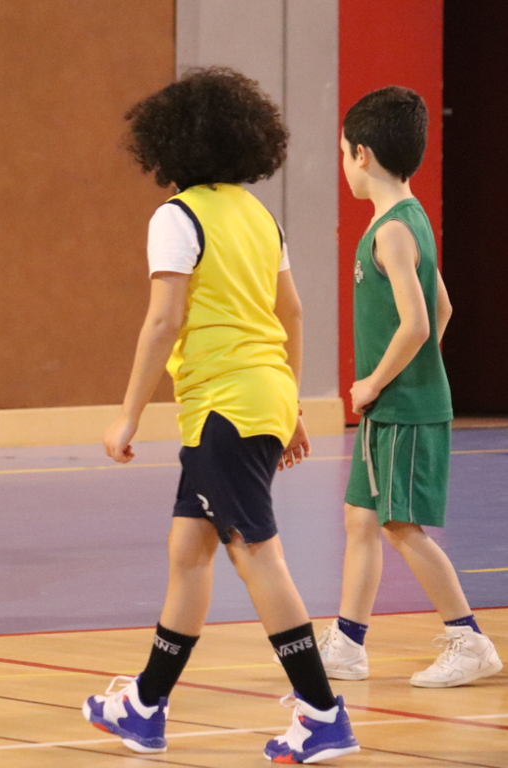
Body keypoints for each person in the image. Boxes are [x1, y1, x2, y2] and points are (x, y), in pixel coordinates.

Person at [82, 67, 359, 763]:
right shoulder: (260, 216)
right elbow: (292, 314)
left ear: (169, 143)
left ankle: (323, 713)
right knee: (189, 552)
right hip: (260, 396)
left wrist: (127, 415)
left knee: (255, 552)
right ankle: (145, 705)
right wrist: (290, 404)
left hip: (225, 407)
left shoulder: (177, 217)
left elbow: (163, 321)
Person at [317, 86, 502, 687]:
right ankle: (347, 644)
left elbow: (419, 322)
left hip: (398, 407)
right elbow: (442, 307)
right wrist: (414, 375)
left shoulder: (392, 232)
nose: (344, 164)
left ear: (362, 154)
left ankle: (468, 639)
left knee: (399, 526)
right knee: (360, 518)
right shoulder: (411, 218)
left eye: (343, 153)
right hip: (397, 402)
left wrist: (377, 380)